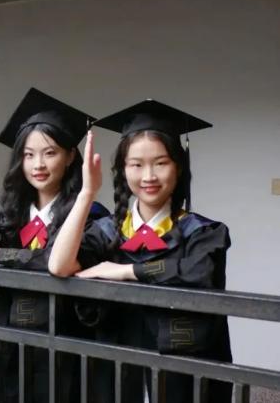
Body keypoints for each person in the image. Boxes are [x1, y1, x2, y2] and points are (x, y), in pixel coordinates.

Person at [48, 99, 232, 403]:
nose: (148, 176)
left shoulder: (203, 232)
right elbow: (58, 265)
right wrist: (87, 193)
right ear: (123, 170)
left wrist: (126, 271)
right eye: (136, 164)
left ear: (178, 166)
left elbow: (200, 273)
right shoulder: (107, 231)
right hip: (117, 370)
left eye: (160, 163)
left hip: (182, 372)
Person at [0, 88, 109, 402]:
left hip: (65, 345)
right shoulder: (14, 214)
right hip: (13, 340)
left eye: (50, 153)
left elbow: (58, 262)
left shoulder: (89, 215)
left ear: (70, 156)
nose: (39, 164)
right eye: (29, 154)